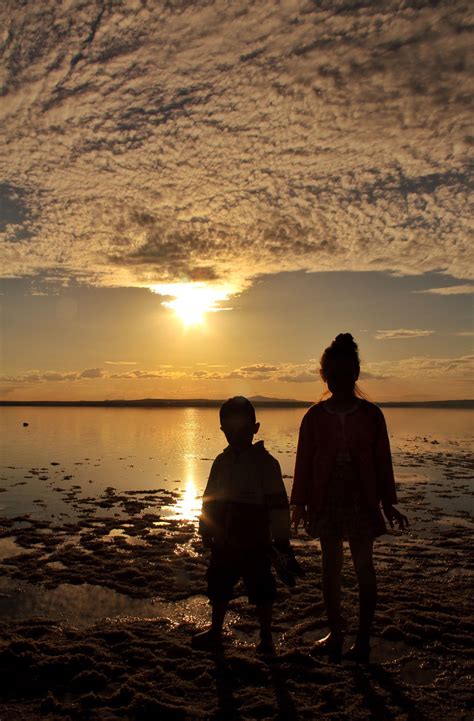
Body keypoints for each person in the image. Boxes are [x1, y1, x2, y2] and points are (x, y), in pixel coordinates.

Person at [291, 333, 408, 663]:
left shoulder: (372, 415)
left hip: (361, 501)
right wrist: (298, 503)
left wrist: (388, 502)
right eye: (332, 374)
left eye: (346, 373)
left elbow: (383, 461)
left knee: (363, 567)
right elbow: (304, 461)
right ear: (324, 376)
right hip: (326, 501)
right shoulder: (313, 417)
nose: (339, 380)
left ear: (355, 374)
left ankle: (363, 640)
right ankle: (336, 633)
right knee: (330, 567)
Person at [192, 396, 292, 656]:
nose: (237, 435)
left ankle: (266, 638)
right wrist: (205, 528)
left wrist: (282, 541)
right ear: (223, 430)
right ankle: (215, 630)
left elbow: (279, 506)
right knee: (218, 584)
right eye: (231, 430)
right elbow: (209, 497)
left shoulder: (267, 465)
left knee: (262, 589)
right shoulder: (220, 462)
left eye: (244, 430)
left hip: (256, 540)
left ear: (255, 428)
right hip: (223, 539)